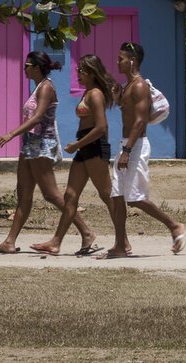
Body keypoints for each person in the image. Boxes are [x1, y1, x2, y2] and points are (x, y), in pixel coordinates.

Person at [0, 51, 97, 254]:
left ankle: (86, 232)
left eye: (27, 66)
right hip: (30, 144)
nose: (24, 69)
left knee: (51, 194)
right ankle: (9, 242)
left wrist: (10, 134)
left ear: (36, 67)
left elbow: (38, 117)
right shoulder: (38, 87)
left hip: (42, 145)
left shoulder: (46, 87)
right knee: (24, 193)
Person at [104, 41, 186, 258]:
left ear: (132, 61)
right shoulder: (127, 87)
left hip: (136, 146)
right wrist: (117, 98)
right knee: (117, 195)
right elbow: (128, 114)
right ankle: (121, 245)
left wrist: (127, 151)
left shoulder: (140, 86)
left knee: (134, 197)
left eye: (121, 58)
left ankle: (175, 226)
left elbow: (140, 121)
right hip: (126, 143)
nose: (117, 62)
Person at [30, 55, 119, 256]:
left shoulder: (95, 94)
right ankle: (56, 242)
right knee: (70, 195)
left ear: (91, 73)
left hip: (94, 148)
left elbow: (102, 127)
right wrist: (79, 146)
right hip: (84, 148)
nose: (78, 73)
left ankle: (123, 240)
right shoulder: (88, 93)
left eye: (81, 70)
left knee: (107, 195)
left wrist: (77, 144)